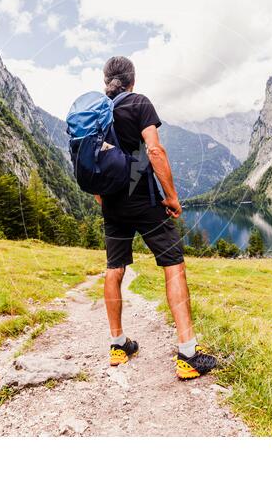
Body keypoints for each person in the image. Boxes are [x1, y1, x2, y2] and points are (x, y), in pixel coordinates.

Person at [96, 56, 217, 380]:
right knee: (174, 266)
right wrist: (172, 196)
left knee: (114, 269)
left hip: (112, 206)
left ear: (107, 81)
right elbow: (155, 151)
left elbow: (91, 168)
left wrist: (106, 198)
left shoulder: (96, 113)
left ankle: (118, 345)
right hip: (147, 203)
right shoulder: (139, 104)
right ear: (132, 80)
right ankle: (188, 354)